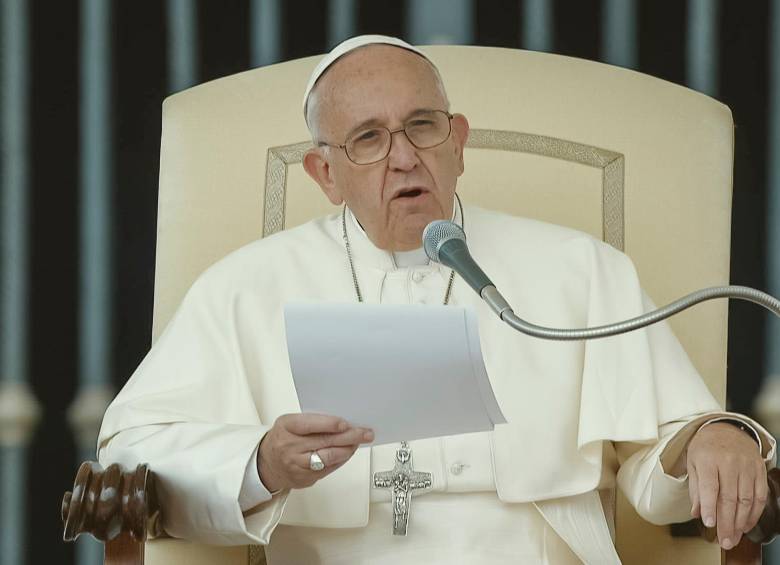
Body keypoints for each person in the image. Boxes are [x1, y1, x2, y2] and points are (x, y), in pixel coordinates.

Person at [98, 35, 776, 563]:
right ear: (325, 174)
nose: (403, 157)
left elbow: (664, 447)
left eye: (422, 127)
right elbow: (133, 450)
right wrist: (258, 463)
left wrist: (711, 436)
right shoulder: (245, 285)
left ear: (457, 142)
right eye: (368, 138)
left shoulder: (580, 268)